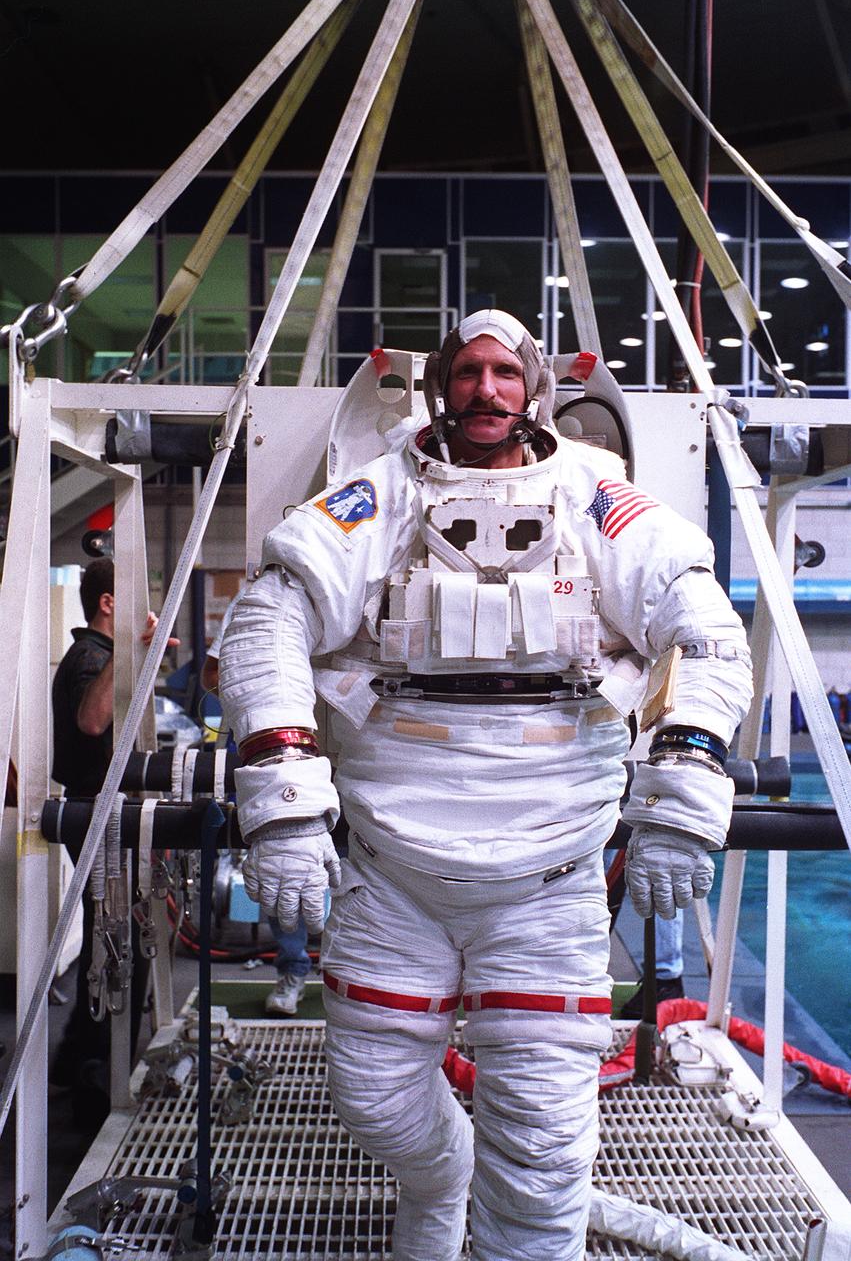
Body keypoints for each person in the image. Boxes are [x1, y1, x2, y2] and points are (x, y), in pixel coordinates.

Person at [218, 310, 753, 1261]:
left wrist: (684, 791)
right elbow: (271, 619)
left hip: (548, 882)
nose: (487, 390)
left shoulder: (598, 499)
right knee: (374, 1098)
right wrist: (283, 803)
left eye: (505, 372)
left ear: (536, 388)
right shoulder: (376, 495)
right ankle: (437, 1191)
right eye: (468, 372)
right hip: (395, 869)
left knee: (545, 1146)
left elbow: (704, 629)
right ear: (437, 388)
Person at [51, 557, 177, 1126]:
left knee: (117, 934)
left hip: (110, 814)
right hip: (95, 816)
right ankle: (94, 1086)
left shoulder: (102, 656)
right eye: (130, 600)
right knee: (116, 944)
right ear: (108, 604)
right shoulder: (88, 657)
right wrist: (137, 649)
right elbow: (92, 721)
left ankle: (76, 1061)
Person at [201, 601, 312, 1017]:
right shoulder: (253, 605)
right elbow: (211, 674)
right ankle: (293, 970)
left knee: (354, 868)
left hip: (348, 749)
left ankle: (349, 973)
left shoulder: (358, 596)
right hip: (271, 751)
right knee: (279, 861)